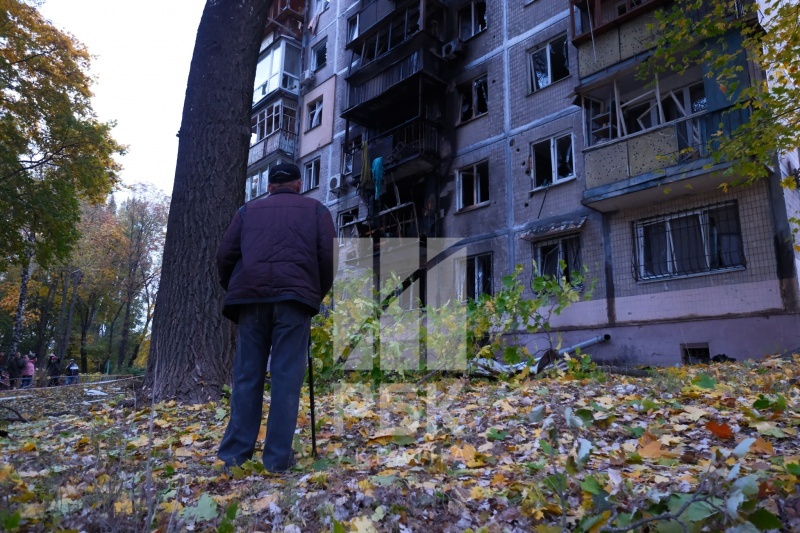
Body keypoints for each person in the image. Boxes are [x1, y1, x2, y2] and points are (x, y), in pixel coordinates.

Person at [216, 163, 335, 473]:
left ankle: (234, 458)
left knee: (246, 377)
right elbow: (327, 258)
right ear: (298, 184)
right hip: (294, 301)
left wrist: (238, 287)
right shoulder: (317, 210)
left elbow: (224, 255)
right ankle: (277, 461)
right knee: (285, 380)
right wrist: (314, 294)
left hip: (251, 300)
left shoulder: (247, 211)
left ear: (268, 186)